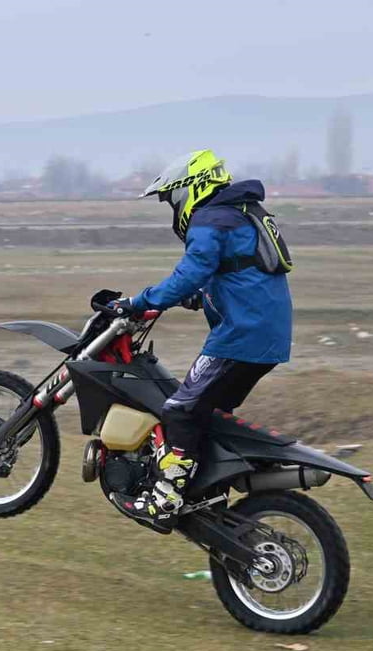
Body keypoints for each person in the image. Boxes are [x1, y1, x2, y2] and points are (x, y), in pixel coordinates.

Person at [107, 150, 293, 531]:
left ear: (193, 189)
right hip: (265, 335)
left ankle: (165, 499)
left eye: (173, 199)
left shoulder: (211, 219)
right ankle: (208, 487)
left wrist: (138, 302)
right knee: (206, 416)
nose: (174, 210)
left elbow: (191, 271)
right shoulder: (240, 213)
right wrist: (194, 298)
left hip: (241, 336)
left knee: (179, 410)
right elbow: (236, 274)